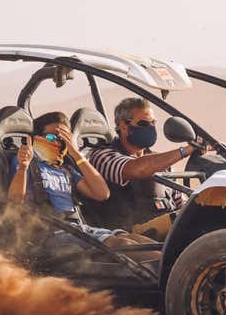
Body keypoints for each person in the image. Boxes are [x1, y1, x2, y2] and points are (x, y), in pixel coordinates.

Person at [8, 111, 157, 255]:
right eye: (52, 137)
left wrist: (76, 153)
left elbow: (102, 193)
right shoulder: (27, 163)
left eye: (64, 138)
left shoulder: (66, 169)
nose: (59, 142)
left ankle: (174, 270)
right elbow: (14, 200)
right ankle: (172, 277)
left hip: (78, 228)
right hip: (49, 232)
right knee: (122, 245)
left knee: (136, 239)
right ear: (36, 138)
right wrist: (22, 167)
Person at [87, 97, 204, 236]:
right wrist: (185, 150)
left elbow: (180, 203)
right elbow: (138, 169)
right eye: (144, 123)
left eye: (153, 123)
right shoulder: (103, 156)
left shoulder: (161, 162)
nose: (150, 127)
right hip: (132, 236)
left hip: (168, 230)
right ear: (123, 126)